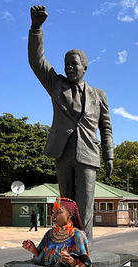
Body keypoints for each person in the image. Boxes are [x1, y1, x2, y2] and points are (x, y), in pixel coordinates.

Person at [28, 5, 114, 241]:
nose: (68, 67)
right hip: (63, 153)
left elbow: (105, 128)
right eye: (66, 63)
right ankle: (64, 247)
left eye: (73, 64)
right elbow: (36, 61)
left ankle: (84, 251)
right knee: (65, 207)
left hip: (88, 155)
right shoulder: (56, 84)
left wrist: (109, 156)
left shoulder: (99, 95)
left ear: (85, 67)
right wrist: (36, 28)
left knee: (85, 208)